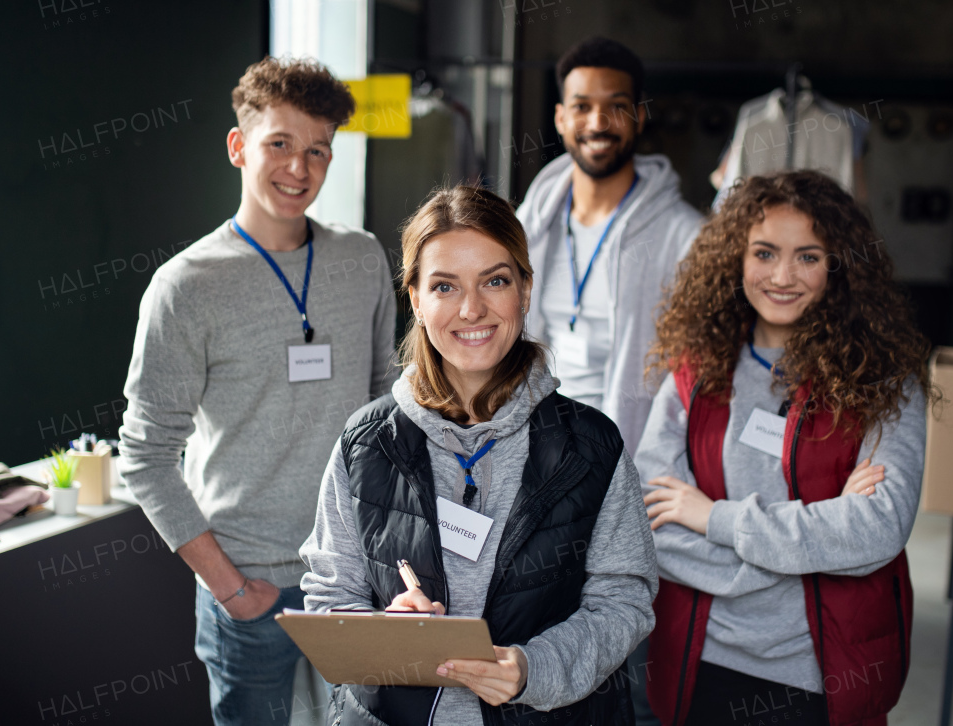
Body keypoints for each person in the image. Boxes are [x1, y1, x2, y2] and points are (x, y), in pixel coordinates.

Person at [299, 185, 658, 726]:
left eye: (495, 280)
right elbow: (330, 595)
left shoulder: (592, 445)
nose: (472, 309)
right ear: (416, 300)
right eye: (445, 286)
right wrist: (385, 634)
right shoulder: (365, 443)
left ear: (526, 289)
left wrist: (534, 668)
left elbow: (624, 599)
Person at [118, 57, 397, 726]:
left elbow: (389, 410)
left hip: (354, 577)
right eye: (280, 144)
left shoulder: (362, 261)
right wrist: (232, 587)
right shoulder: (186, 286)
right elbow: (146, 457)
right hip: (251, 588)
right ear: (239, 147)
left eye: (317, 150)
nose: (299, 168)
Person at [637, 171, 934, 726]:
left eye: (808, 257)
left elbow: (878, 529)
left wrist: (715, 519)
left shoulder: (885, 382)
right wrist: (813, 553)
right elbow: (650, 528)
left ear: (839, 265)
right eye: (765, 252)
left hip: (819, 674)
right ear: (736, 259)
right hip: (701, 663)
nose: (781, 276)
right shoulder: (695, 373)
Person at [517, 36, 703, 452]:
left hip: (629, 452)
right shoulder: (526, 227)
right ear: (561, 118)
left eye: (616, 106)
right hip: (535, 443)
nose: (598, 122)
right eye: (582, 107)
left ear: (639, 116)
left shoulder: (686, 236)